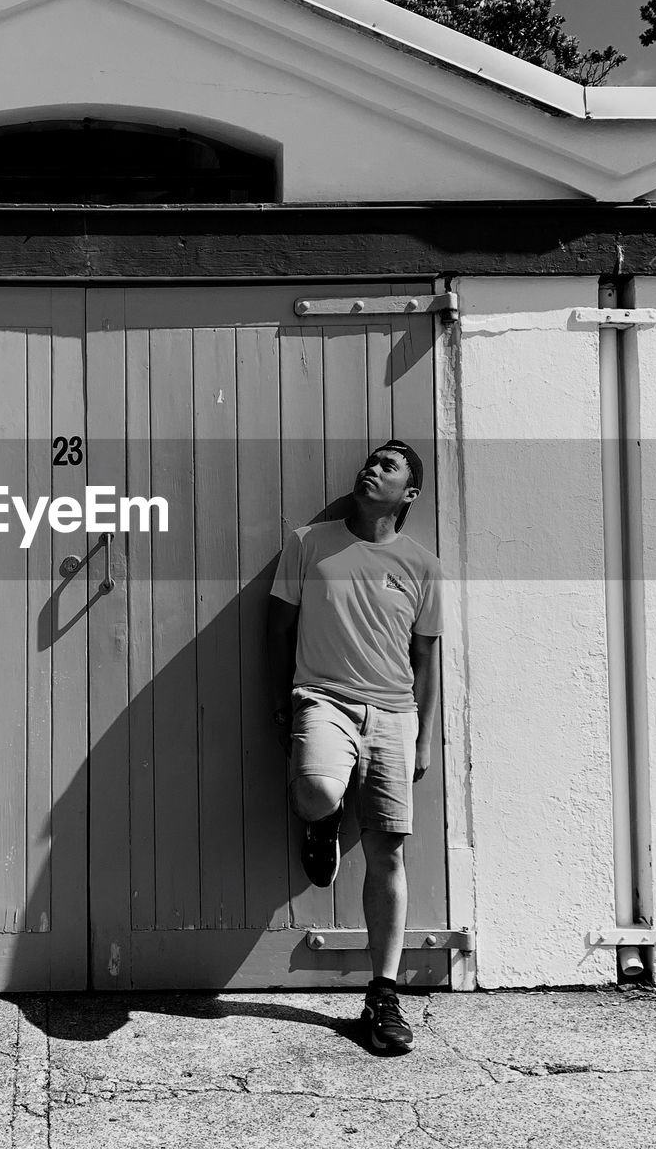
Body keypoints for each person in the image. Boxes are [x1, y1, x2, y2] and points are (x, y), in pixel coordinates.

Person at [267, 440, 442, 1054]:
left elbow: (425, 655)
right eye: (370, 461)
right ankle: (323, 821)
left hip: (394, 712)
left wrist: (422, 733)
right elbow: (280, 628)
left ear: (409, 494)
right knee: (316, 791)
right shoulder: (308, 542)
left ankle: (383, 995)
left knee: (387, 852)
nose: (372, 469)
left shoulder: (423, 565)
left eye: (389, 466)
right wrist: (282, 699)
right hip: (322, 697)